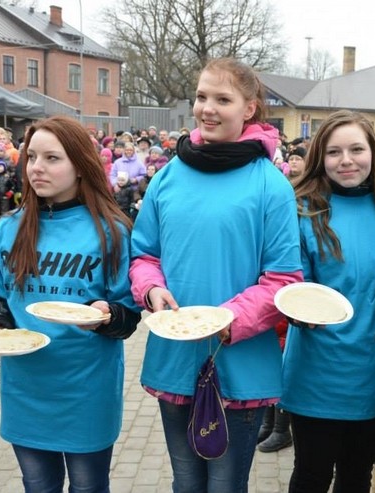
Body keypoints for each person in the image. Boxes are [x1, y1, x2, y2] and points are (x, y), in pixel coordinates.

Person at [129, 57, 302, 492]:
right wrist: (151, 290)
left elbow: (284, 280)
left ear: (249, 108)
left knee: (225, 486)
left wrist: (226, 321)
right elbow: (143, 255)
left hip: (239, 364)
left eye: (222, 99)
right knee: (185, 482)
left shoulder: (270, 185)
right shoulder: (167, 177)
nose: (207, 108)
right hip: (175, 358)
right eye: (202, 96)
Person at [0, 115, 141, 492]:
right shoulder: (9, 227)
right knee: (37, 484)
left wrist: (107, 316)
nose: (37, 168)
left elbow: (129, 316)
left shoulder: (112, 230)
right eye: (31, 157)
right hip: (26, 386)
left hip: (86, 386)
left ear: (80, 165)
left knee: (87, 485)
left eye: (52, 158)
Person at [279, 110, 375, 492]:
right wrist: (298, 311)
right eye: (333, 152)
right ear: (320, 157)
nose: (346, 160)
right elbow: (292, 282)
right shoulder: (301, 208)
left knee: (356, 476)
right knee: (311, 475)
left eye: (356, 149)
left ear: (373, 153)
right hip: (317, 370)